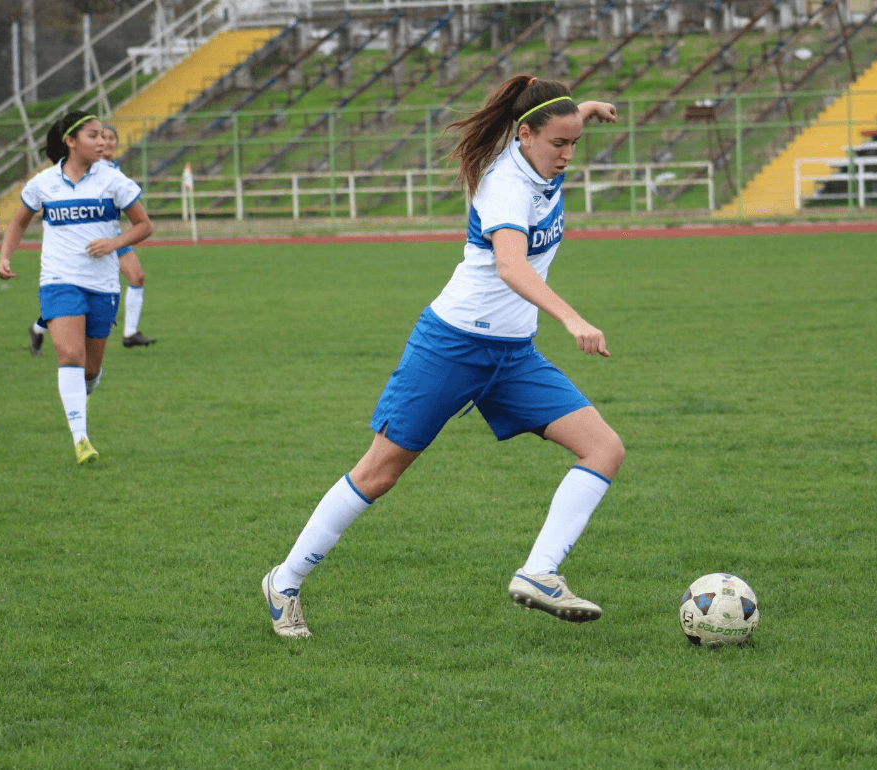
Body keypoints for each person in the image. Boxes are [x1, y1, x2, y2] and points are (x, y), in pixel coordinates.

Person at [261, 76, 625, 639]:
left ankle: (539, 572)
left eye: (574, 143)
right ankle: (283, 583)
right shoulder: (506, 184)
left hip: (512, 356)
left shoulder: (535, 148)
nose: (568, 155)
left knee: (604, 449)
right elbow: (511, 265)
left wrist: (586, 110)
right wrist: (572, 318)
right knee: (379, 473)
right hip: (451, 346)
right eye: (559, 144)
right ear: (524, 136)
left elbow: (550, 113)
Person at [0, 111, 153, 464]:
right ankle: (81, 439)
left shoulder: (113, 180)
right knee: (69, 355)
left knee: (90, 369)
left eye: (103, 136)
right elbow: (18, 222)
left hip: (102, 285)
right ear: (70, 141)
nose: (102, 142)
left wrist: (113, 244)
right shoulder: (43, 183)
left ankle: (82, 401)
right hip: (58, 280)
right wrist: (4, 257)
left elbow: (144, 225)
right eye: (93, 136)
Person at [29, 121, 156, 354]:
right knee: (73, 288)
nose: (106, 142)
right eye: (100, 137)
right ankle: (40, 326)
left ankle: (129, 332)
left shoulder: (111, 169)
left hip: (113, 238)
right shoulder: (84, 166)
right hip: (88, 240)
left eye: (110, 138)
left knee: (136, 276)